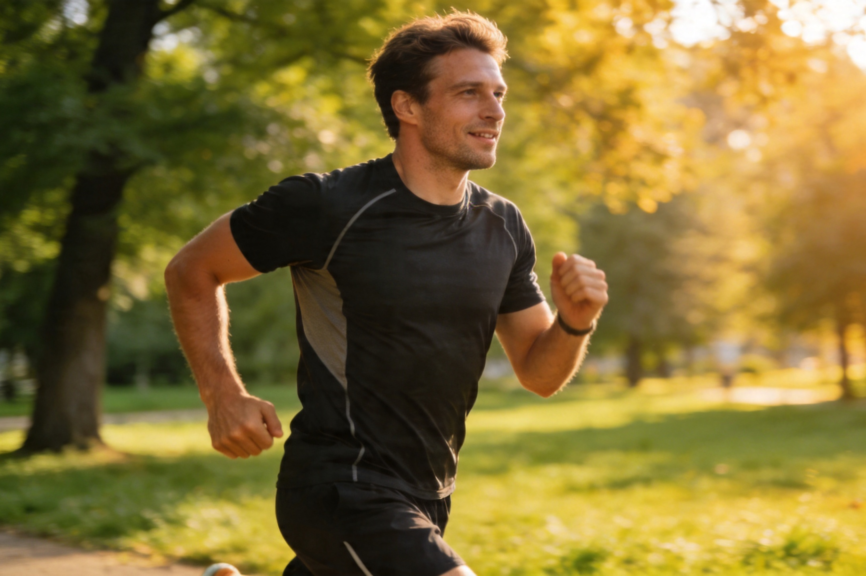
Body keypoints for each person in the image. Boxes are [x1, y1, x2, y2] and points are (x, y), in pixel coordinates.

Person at [165, 11, 608, 576]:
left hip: (429, 492)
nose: (494, 110)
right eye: (469, 93)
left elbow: (539, 374)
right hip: (338, 484)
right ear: (407, 107)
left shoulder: (504, 226)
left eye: (498, 93)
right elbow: (190, 270)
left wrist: (575, 321)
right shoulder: (327, 205)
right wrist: (222, 395)